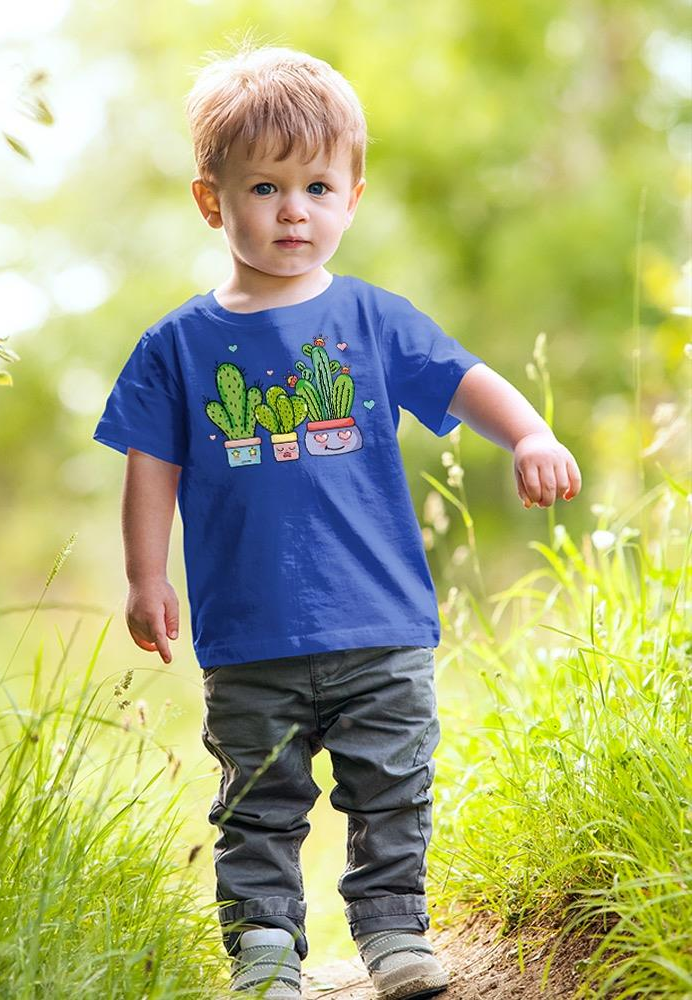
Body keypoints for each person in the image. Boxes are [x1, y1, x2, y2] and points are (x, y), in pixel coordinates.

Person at [93, 41, 581, 1000]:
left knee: (391, 790)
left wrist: (529, 433)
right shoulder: (178, 347)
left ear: (352, 197)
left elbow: (463, 379)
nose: (292, 210)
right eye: (265, 187)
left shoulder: (372, 318)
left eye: (317, 185)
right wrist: (147, 578)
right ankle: (266, 949)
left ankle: (395, 934)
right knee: (258, 805)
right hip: (248, 634)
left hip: (380, 622)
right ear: (212, 200)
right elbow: (150, 465)